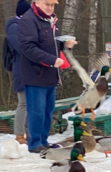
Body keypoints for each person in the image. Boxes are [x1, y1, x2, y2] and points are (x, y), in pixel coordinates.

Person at [18, 0, 77, 153]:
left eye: (52, 5)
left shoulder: (52, 20)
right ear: (36, 3)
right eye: (47, 4)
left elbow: (52, 44)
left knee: (47, 111)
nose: (50, 8)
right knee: (36, 111)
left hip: (51, 75)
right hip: (35, 75)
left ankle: (43, 140)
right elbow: (28, 48)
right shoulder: (28, 20)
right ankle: (35, 143)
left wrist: (65, 46)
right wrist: (51, 60)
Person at [5, 0, 31, 144]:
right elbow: (21, 47)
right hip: (21, 69)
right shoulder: (14, 27)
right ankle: (20, 134)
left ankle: (27, 133)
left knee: (29, 103)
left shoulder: (24, 25)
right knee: (23, 103)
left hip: (28, 69)